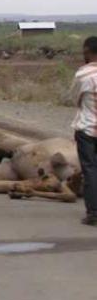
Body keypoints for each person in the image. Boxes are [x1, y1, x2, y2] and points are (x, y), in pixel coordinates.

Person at [70, 36, 97, 226]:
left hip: (87, 129)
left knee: (90, 170)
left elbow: (74, 98)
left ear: (87, 51)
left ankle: (93, 213)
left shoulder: (82, 75)